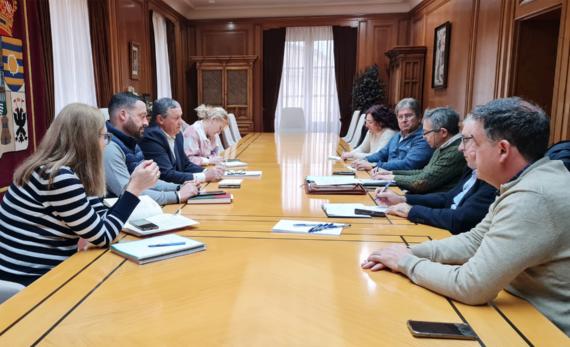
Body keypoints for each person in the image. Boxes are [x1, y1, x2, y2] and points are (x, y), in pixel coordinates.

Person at [362, 97, 570, 335]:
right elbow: (474, 240)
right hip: (517, 314)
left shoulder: (533, 197)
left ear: (502, 149)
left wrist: (406, 262)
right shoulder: (528, 181)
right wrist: (410, 251)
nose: (461, 148)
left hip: (542, 330)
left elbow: (471, 285)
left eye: (469, 140)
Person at [0, 103, 158, 286]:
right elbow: (103, 236)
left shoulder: (61, 171)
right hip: (30, 281)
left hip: (38, 272)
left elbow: (101, 222)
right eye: (104, 136)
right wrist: (134, 190)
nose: (106, 144)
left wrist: (131, 186)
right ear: (86, 141)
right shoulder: (58, 177)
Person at [375, 113, 496, 234]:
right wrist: (402, 198)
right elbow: (448, 198)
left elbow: (459, 219)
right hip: (442, 224)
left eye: (466, 140)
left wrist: (412, 210)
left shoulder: (491, 180)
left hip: (448, 229)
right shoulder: (471, 167)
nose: (460, 148)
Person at [104, 92, 199, 205]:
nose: (146, 122)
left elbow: (148, 182)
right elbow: (127, 194)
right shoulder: (108, 147)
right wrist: (177, 195)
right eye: (142, 116)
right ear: (123, 115)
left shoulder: (132, 141)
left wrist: (179, 187)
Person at [371, 107, 466, 193]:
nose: (423, 137)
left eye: (426, 132)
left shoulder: (455, 151)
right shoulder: (442, 145)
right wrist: (391, 172)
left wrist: (392, 177)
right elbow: (423, 172)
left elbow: (421, 182)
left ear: (443, 132)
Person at [139, 98, 224, 185]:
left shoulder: (178, 135)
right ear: (160, 119)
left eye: (181, 117)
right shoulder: (151, 137)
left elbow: (185, 164)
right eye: (176, 118)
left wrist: (207, 171)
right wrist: (204, 176)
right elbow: (166, 175)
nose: (181, 122)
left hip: (181, 187)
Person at [352, 98, 433, 171]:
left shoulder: (424, 137)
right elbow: (381, 154)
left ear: (419, 117)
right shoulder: (397, 136)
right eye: (400, 117)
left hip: (402, 183)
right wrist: (364, 160)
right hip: (386, 177)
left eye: (408, 116)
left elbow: (408, 164)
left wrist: (376, 165)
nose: (404, 120)